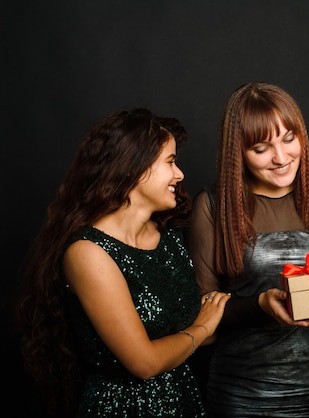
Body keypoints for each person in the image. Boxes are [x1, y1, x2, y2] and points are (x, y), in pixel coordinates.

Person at [15, 108, 230, 417]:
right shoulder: (88, 253)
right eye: (170, 161)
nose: (180, 174)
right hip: (124, 408)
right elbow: (145, 363)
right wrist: (202, 326)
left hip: (184, 400)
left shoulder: (168, 238)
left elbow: (208, 328)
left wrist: (264, 302)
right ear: (135, 168)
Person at [187, 82, 309, 417]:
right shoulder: (213, 205)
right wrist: (261, 304)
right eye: (261, 148)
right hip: (243, 392)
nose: (281, 158)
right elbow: (202, 311)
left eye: (289, 138)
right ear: (237, 152)